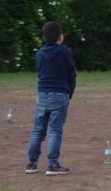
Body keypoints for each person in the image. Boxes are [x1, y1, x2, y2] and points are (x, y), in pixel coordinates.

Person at [25, 21, 77, 176]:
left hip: (42, 93)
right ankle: (53, 164)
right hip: (59, 93)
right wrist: (69, 93)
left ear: (44, 37)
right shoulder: (65, 52)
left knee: (38, 130)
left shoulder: (39, 53)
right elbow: (72, 75)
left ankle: (31, 163)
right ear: (60, 37)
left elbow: (40, 73)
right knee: (55, 130)